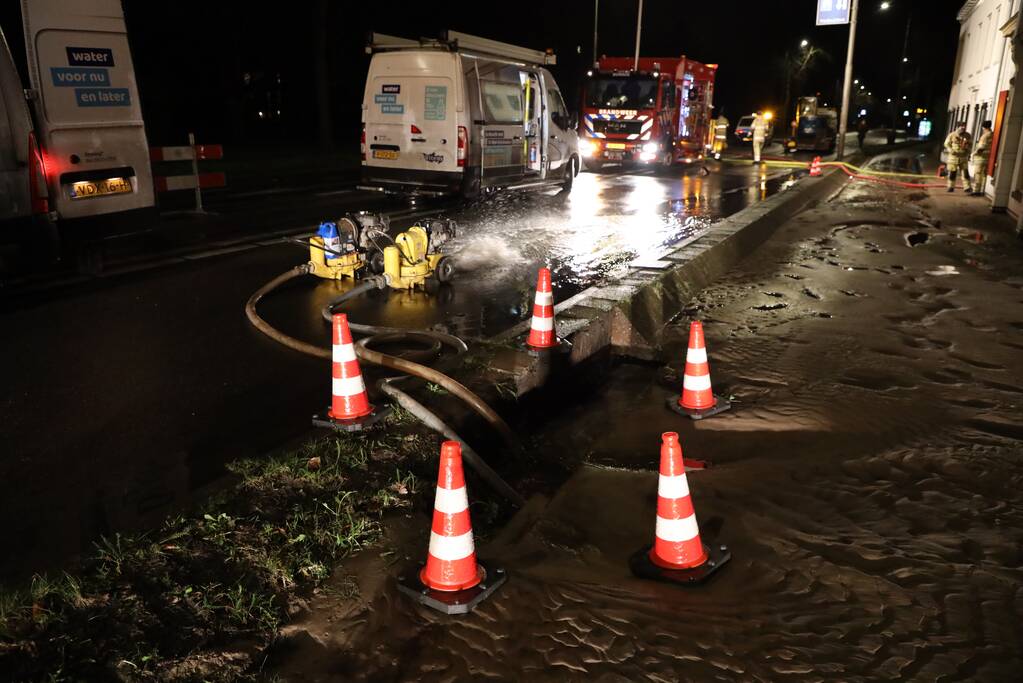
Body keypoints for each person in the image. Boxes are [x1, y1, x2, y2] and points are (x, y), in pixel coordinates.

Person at [943, 122, 973, 193]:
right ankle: (950, 187)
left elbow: (970, 144)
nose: (963, 128)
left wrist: (968, 151)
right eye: (961, 126)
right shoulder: (952, 135)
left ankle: (967, 187)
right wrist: (951, 150)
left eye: (964, 127)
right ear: (957, 127)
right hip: (953, 157)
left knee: (965, 173)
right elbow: (946, 144)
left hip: (963, 157)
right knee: (953, 173)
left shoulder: (967, 135)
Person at [968, 120, 994, 196]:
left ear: (983, 127)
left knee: (978, 174)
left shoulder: (985, 136)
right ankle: (982, 190)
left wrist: (973, 154)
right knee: (984, 175)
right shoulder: (992, 134)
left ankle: (976, 191)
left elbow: (981, 148)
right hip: (988, 158)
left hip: (981, 158)